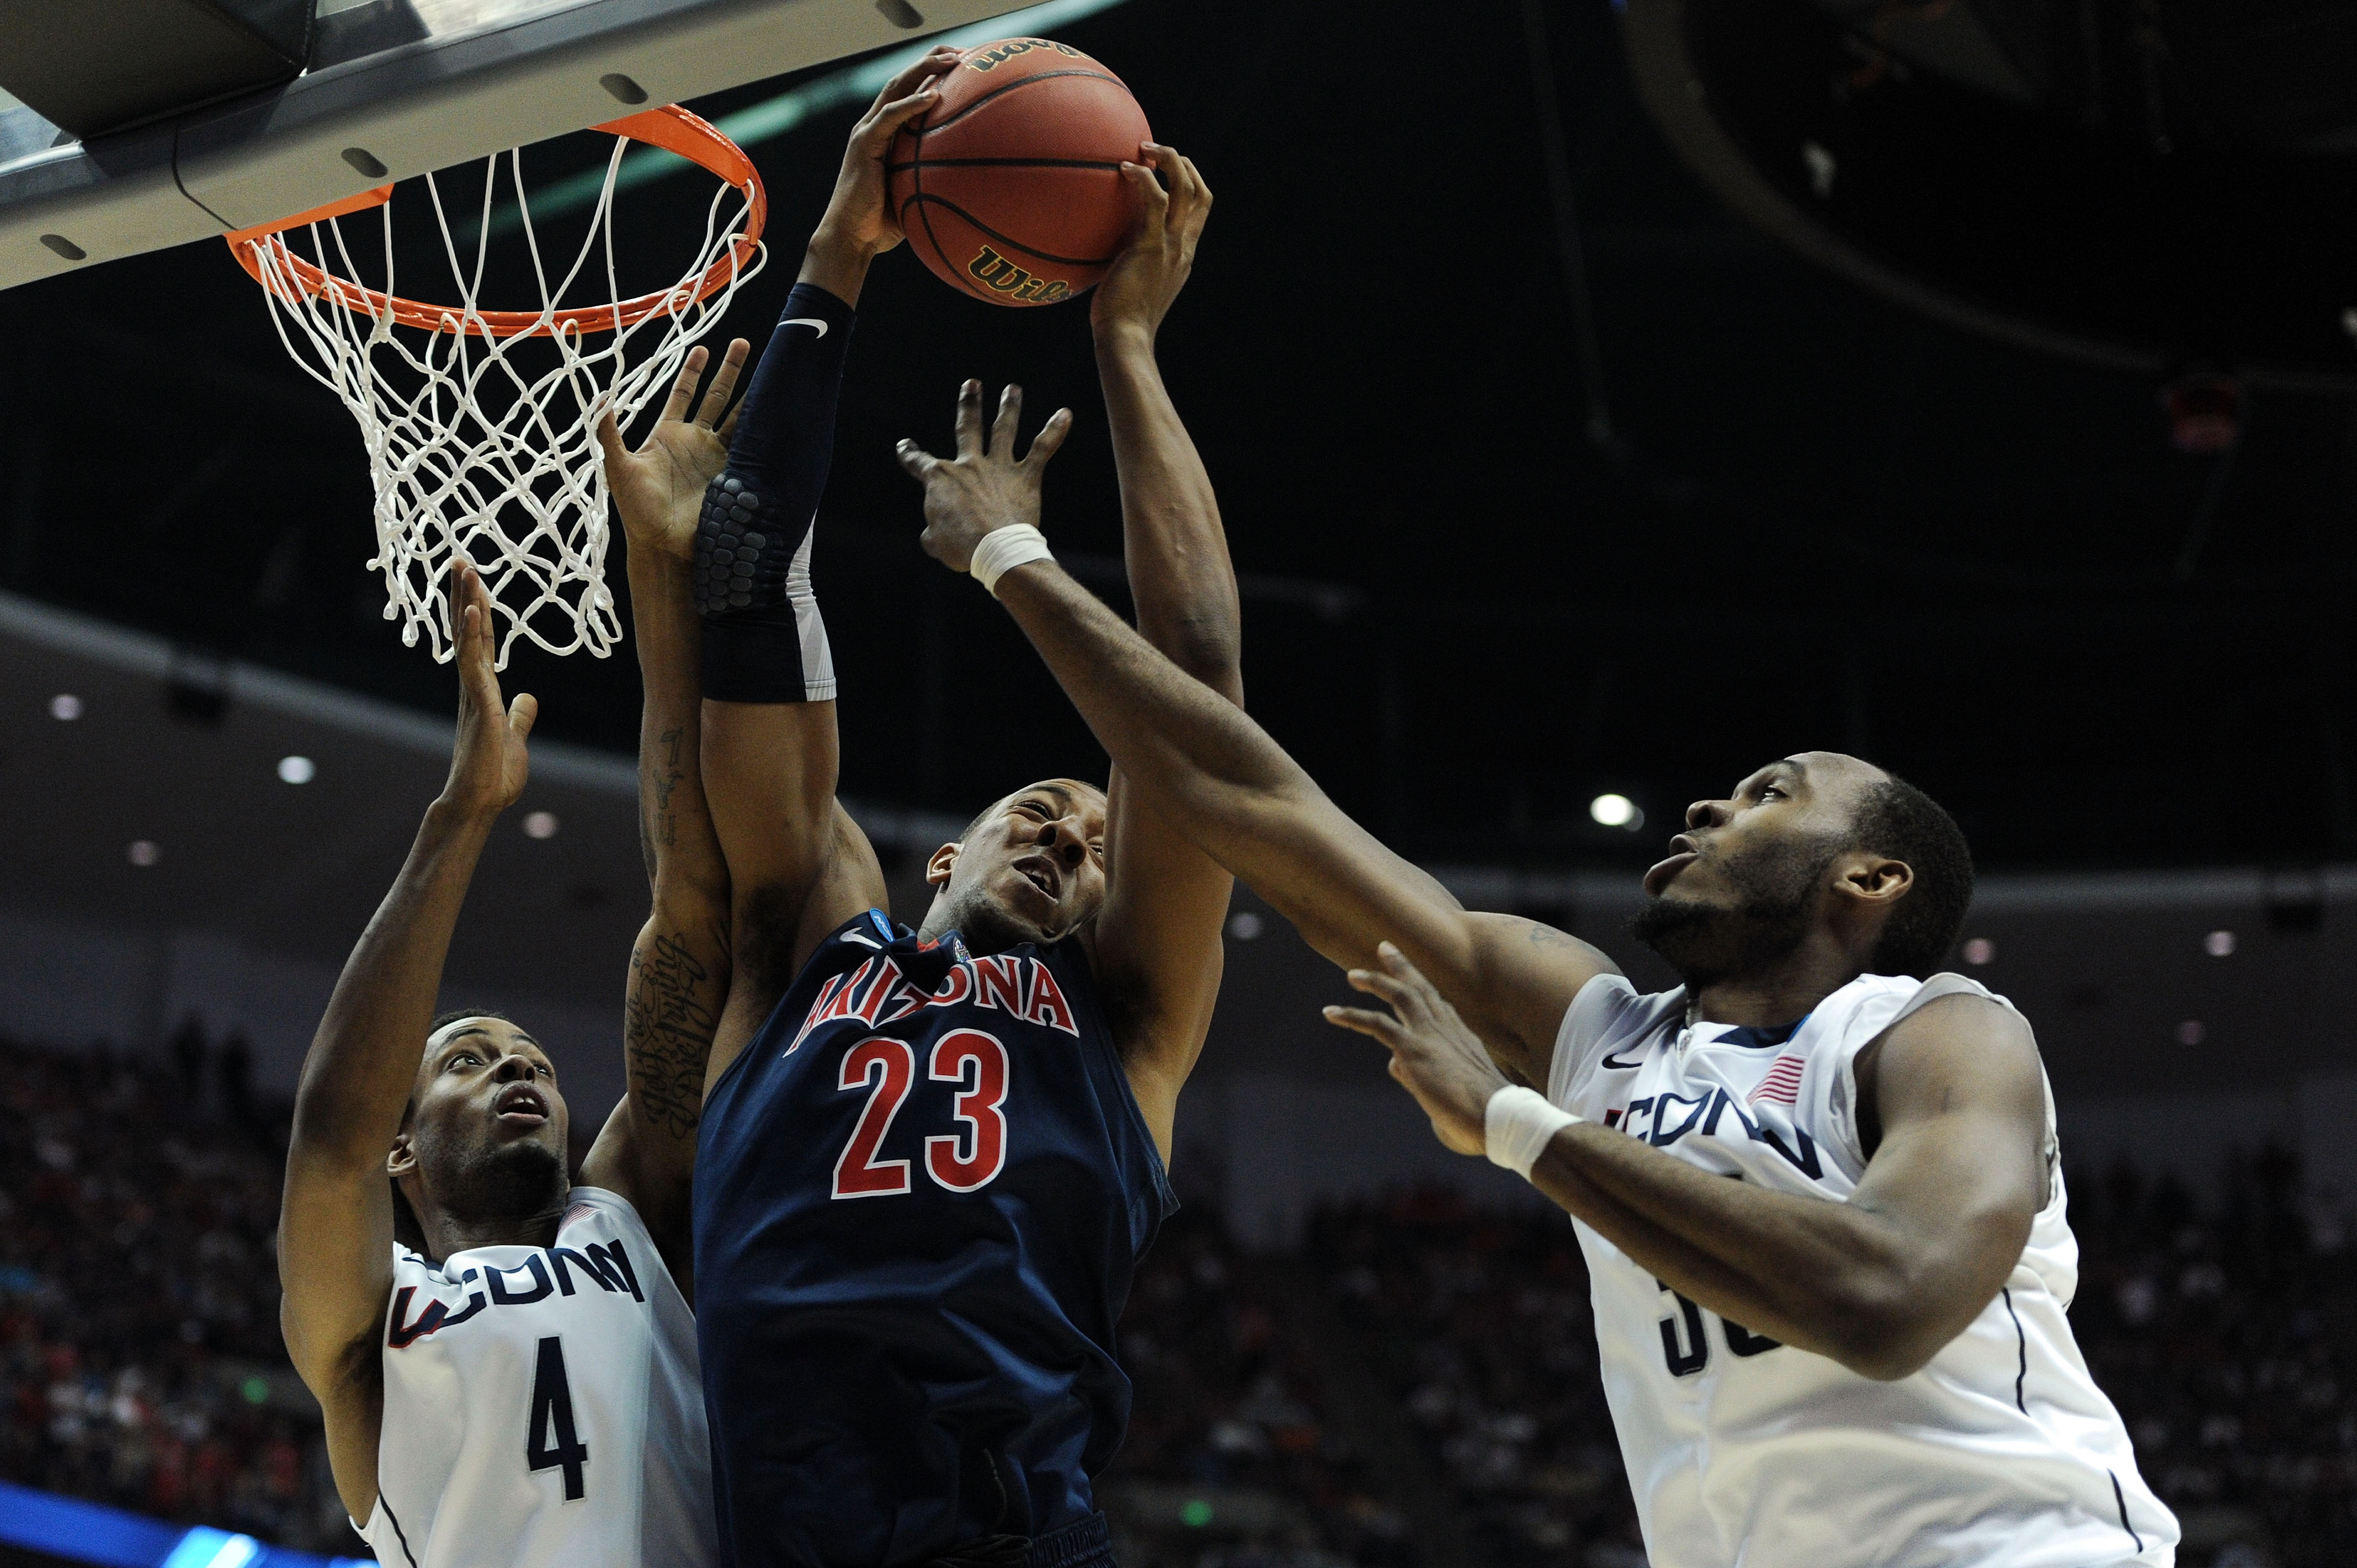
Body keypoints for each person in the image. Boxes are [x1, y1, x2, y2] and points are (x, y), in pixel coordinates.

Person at [893, 405, 2183, 1567]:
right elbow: (1239, 790)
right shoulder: (1599, 1030)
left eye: (1767, 795)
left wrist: (1519, 1129)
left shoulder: (1936, 1033)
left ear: (1871, 882)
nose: (1708, 804)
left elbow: (1885, 1299)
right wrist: (1021, 554)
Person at [654, 48, 1237, 1568]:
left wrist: (1126, 344)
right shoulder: (798, 946)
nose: (1077, 834)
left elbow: (1200, 685)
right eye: (1051, 805)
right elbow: (744, 590)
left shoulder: (1130, 1016)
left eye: (1103, 846)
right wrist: (833, 262)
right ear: (945, 851)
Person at [276, 334, 753, 1567]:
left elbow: (695, 928)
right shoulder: (369, 1320)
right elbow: (329, 1135)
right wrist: (461, 817)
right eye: (472, 1061)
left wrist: (666, 566)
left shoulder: (625, 1220)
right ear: (404, 1147)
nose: (516, 1071)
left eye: (527, 1056)